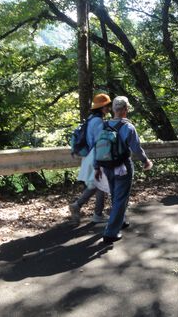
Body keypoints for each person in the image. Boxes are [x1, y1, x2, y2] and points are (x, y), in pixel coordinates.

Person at [95, 96, 152, 244]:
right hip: (122, 167)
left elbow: (97, 147)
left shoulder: (103, 125)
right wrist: (145, 161)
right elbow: (136, 149)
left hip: (107, 166)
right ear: (126, 110)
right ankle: (110, 233)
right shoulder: (128, 127)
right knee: (120, 198)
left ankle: (121, 220)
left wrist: (97, 166)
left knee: (115, 195)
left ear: (113, 109)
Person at [69, 93, 112, 224]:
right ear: (102, 107)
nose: (109, 108)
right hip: (96, 155)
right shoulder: (98, 121)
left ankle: (97, 214)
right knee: (97, 184)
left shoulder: (90, 118)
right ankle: (77, 205)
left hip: (88, 155)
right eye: (107, 106)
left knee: (99, 185)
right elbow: (100, 142)